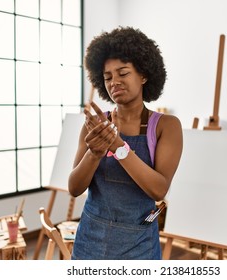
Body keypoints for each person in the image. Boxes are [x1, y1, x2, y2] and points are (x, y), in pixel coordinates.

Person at [68, 26, 183, 260]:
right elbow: (74, 188)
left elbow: (159, 189)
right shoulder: (94, 127)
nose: (114, 82)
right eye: (107, 77)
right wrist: (95, 153)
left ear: (143, 75)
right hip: (90, 240)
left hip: (138, 245)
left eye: (123, 73)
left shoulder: (166, 126)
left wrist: (118, 146)